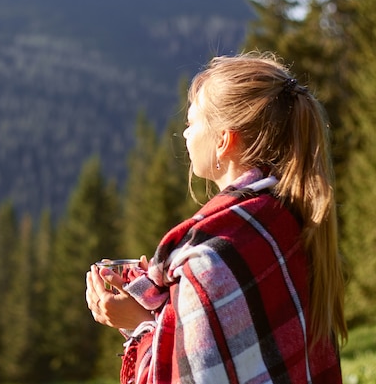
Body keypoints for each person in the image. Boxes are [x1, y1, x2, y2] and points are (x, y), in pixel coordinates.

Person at [86, 52, 347, 384]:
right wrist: (166, 299)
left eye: (192, 123)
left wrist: (139, 325)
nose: (184, 134)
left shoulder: (206, 258)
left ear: (224, 140)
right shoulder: (286, 214)